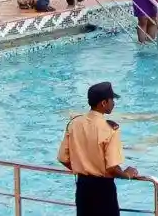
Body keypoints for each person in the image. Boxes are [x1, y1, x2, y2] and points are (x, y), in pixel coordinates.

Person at [57, 82, 138, 216]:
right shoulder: (110, 129)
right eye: (112, 100)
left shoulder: (75, 124)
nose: (114, 103)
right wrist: (127, 174)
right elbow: (111, 167)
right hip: (103, 189)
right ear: (103, 103)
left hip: (83, 187)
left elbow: (62, 158)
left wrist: (83, 168)